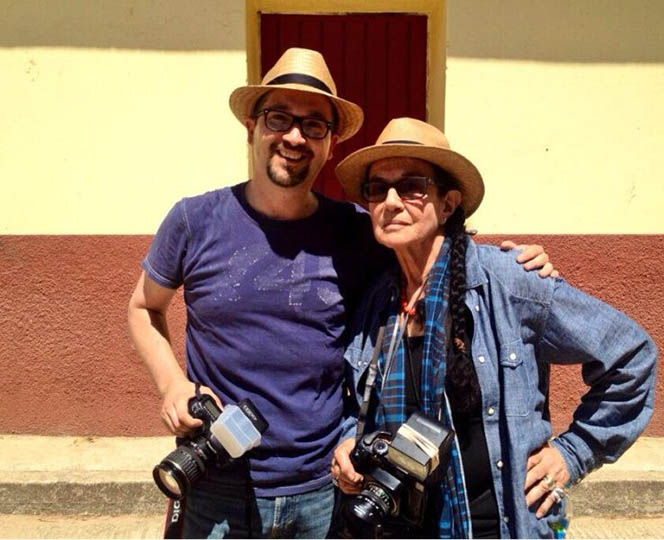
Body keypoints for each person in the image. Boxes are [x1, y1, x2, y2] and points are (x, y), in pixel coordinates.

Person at [128, 48, 556, 539]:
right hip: (217, 482)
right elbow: (144, 306)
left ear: (330, 143)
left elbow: (433, 246)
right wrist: (171, 385)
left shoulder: (356, 232)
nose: (294, 136)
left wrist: (516, 261)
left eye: (314, 126)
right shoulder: (193, 220)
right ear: (252, 127)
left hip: (322, 489)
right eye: (279, 118)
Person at [331, 117, 658, 539]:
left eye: (412, 186)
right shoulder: (377, 302)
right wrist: (346, 443)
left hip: (493, 527)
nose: (391, 201)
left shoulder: (508, 282)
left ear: (448, 204)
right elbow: (354, 403)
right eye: (378, 189)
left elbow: (631, 353)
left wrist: (573, 453)